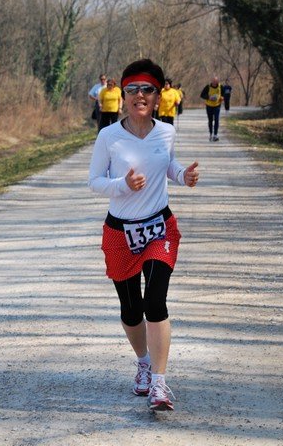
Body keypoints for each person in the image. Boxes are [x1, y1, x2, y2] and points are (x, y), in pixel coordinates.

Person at [88, 58, 199, 412]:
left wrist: (183, 176)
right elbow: (94, 182)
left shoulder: (166, 131)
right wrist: (123, 185)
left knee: (155, 301)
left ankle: (159, 384)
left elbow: (168, 164)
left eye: (147, 89)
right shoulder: (108, 136)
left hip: (158, 228)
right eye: (133, 89)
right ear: (123, 95)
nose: (140, 95)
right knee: (131, 308)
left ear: (158, 96)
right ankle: (144, 363)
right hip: (120, 232)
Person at [200, 76, 223, 141]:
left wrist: (222, 97)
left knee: (216, 119)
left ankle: (215, 135)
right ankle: (211, 133)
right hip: (209, 106)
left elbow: (224, 94)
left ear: (217, 81)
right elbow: (202, 95)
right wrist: (208, 97)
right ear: (211, 81)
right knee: (210, 120)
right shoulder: (208, 87)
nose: (215, 82)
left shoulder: (221, 87)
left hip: (217, 105)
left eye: (216, 81)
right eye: (213, 81)